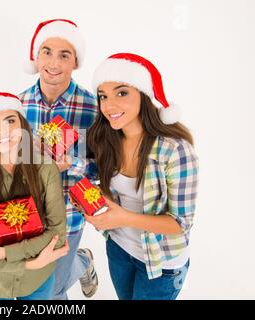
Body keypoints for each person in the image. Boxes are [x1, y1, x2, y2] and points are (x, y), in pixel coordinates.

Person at [85, 53, 199, 300]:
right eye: (103, 96)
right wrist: (95, 203)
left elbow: (181, 224)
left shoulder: (175, 149)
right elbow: (104, 187)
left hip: (161, 263)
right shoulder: (107, 140)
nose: (109, 105)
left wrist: (122, 217)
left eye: (122, 93)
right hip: (118, 248)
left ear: (144, 95)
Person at [0, 91, 69, 300]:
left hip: (38, 282)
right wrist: (30, 263)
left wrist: (3, 253)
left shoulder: (46, 169)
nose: (3, 131)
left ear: (23, 127)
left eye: (10, 120)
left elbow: (58, 235)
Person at [18, 18, 99, 299]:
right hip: (29, 217)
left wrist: (72, 164)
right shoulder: (17, 106)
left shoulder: (94, 109)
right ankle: (83, 261)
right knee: (33, 287)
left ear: (75, 61)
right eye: (47, 52)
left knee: (51, 291)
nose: (53, 62)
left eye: (64, 55)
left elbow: (105, 170)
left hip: (69, 216)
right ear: (36, 57)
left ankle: (82, 260)